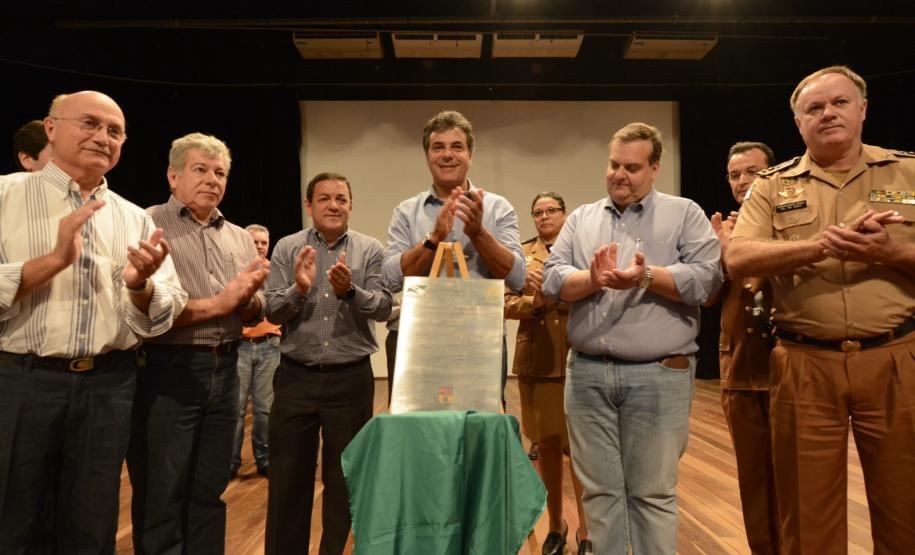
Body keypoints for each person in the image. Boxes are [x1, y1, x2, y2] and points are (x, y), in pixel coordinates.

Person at [728, 65, 915, 554]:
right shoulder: (771, 185)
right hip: (804, 363)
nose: (828, 113)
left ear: (863, 110)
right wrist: (819, 247)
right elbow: (739, 256)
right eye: (814, 108)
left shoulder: (910, 172)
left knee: (906, 511)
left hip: (896, 359)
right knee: (807, 520)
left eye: (839, 103)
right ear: (798, 123)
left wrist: (890, 253)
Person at [0, 91, 186, 552]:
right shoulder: (4, 196)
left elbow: (169, 304)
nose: (103, 137)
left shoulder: (133, 217)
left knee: (92, 525)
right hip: (21, 382)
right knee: (13, 520)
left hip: (109, 384)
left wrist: (141, 285)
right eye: (89, 123)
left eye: (115, 131)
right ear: (50, 127)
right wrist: (53, 261)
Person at [542, 122, 722, 553]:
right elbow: (551, 278)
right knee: (599, 495)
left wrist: (645, 275)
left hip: (659, 375)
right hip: (587, 376)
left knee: (652, 495)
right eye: (613, 165)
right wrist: (592, 278)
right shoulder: (582, 218)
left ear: (655, 168)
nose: (619, 174)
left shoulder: (685, 213)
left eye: (632, 167)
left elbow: (708, 281)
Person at [127, 132, 268, 554]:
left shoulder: (241, 236)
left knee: (210, 488)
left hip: (226, 369)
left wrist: (246, 301)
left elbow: (256, 310)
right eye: (200, 170)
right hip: (166, 370)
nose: (212, 180)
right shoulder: (147, 223)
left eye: (220, 172)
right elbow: (146, 307)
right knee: (161, 490)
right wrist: (224, 301)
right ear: (173, 176)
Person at [265, 171, 392, 554]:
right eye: (324, 198)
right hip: (295, 379)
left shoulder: (370, 249)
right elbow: (272, 310)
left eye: (341, 198)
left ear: (351, 205)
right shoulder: (288, 248)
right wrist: (299, 290)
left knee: (345, 481)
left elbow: (384, 306)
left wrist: (350, 291)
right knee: (287, 481)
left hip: (350, 380)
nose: (333, 205)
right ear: (309, 206)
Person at [382, 110, 525, 400]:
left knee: (479, 431)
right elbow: (390, 278)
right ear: (427, 156)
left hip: (480, 338)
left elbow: (518, 277)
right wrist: (433, 238)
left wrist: (478, 233)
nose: (447, 154)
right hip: (417, 340)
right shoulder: (406, 212)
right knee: (417, 433)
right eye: (438, 147)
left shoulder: (498, 208)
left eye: (457, 147)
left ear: (471, 154)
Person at [505, 192, 592, 555]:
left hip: (581, 357)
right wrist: (534, 302)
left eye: (551, 210)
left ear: (564, 213)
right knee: (549, 447)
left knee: (584, 452)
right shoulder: (522, 255)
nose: (544, 217)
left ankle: (588, 531)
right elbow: (505, 302)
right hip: (538, 360)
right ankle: (556, 525)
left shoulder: (583, 249)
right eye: (537, 212)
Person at [711, 141, 780, 554]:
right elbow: (705, 297)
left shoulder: (791, 225)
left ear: (771, 174)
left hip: (787, 366)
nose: (742, 181)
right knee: (753, 481)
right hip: (738, 368)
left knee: (795, 479)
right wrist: (723, 250)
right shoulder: (721, 230)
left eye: (752, 172)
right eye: (735, 175)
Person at [230, 224, 281, 478]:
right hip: (239, 345)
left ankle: (265, 459)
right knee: (236, 409)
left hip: (270, 345)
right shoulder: (236, 271)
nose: (260, 246)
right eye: (254, 242)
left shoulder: (276, 271)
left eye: (263, 242)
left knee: (265, 409)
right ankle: (230, 462)